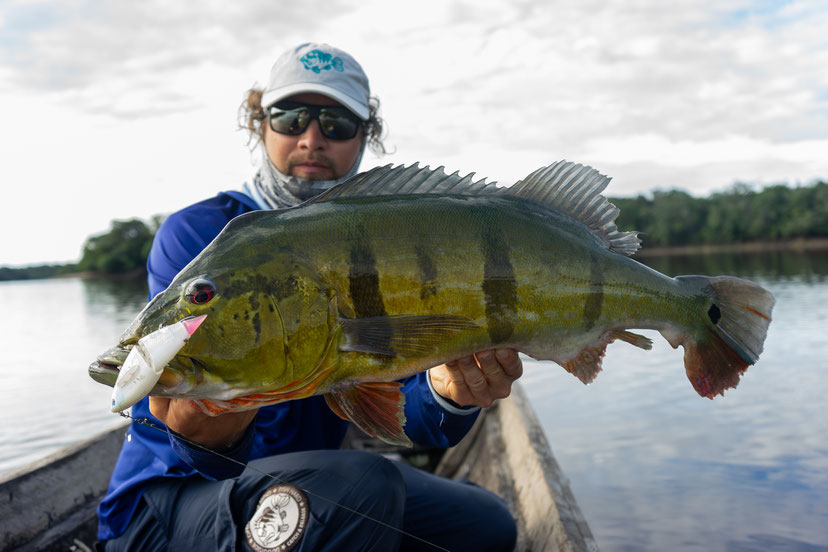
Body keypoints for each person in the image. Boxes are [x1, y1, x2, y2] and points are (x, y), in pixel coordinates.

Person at [97, 43, 521, 551]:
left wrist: (448, 390)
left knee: (486, 526)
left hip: (315, 483)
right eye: (291, 118)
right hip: (167, 507)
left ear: (366, 136)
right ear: (261, 126)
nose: (312, 139)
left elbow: (411, 418)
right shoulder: (203, 235)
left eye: (337, 123)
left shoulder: (384, 242)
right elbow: (205, 457)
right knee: (365, 483)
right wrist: (208, 423)